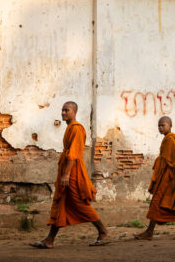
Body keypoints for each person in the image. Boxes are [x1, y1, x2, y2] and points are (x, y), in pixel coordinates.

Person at [30, 101, 110, 249]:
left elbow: (73, 154)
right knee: (61, 202)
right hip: (67, 169)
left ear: (74, 112)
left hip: (72, 171)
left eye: (67, 110)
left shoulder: (77, 129)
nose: (63, 113)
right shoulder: (69, 129)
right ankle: (49, 240)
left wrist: (66, 175)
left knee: (79, 203)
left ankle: (103, 231)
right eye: (62, 110)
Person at [135, 116, 175, 240]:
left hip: (171, 176)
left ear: (170, 126)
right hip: (167, 174)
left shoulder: (171, 139)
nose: (160, 128)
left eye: (163, 125)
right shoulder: (167, 139)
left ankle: (149, 233)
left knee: (158, 201)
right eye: (159, 126)